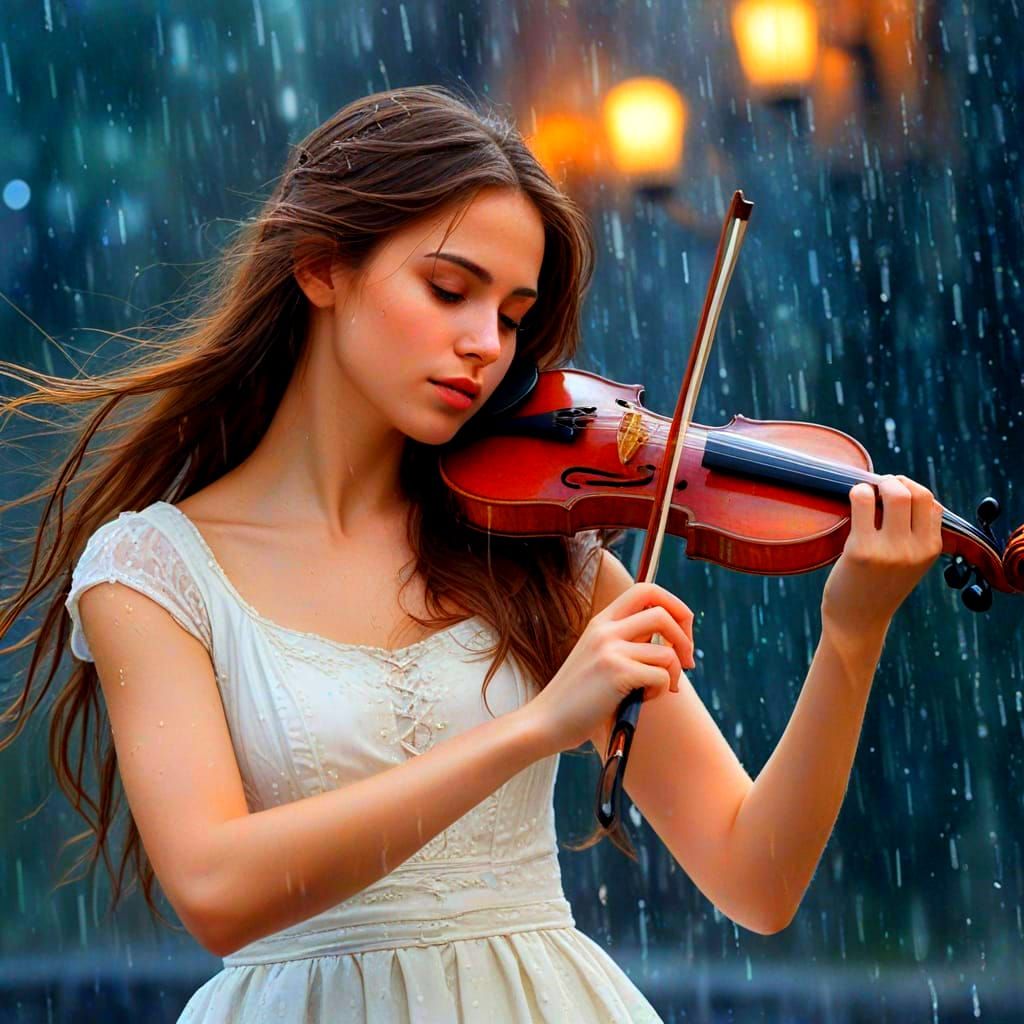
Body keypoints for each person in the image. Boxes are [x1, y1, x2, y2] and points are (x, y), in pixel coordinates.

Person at [0, 85, 942, 1023]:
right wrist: (536, 726)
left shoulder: (538, 554)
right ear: (321, 267)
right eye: (449, 290)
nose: (484, 345)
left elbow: (756, 879)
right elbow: (215, 889)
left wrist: (850, 639)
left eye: (513, 313)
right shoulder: (153, 573)